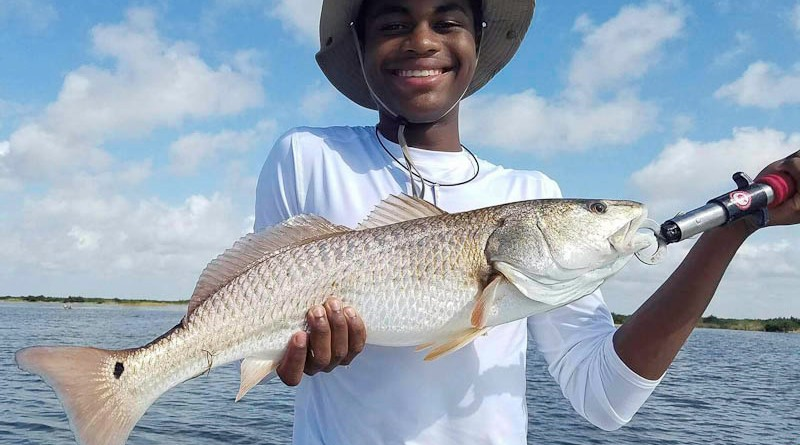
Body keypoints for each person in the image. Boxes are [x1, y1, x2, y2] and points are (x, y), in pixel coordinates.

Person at [253, 0, 800, 443]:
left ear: (477, 41)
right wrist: (296, 355)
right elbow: (262, 317)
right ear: (360, 44)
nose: (422, 41)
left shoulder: (530, 192)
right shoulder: (306, 157)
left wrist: (729, 231)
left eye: (448, 21)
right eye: (394, 23)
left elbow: (605, 396)